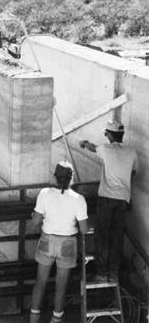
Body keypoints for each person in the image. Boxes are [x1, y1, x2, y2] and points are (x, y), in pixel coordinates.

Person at [30, 161, 89, 323]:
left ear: (55, 176)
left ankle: (33, 319)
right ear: (71, 178)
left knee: (40, 281)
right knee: (61, 286)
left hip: (47, 240)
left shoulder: (44, 193)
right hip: (68, 244)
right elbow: (84, 229)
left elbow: (35, 222)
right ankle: (56, 319)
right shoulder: (79, 199)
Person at [79, 119, 138, 282]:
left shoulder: (105, 149)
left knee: (103, 235)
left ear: (110, 135)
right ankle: (113, 273)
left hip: (106, 199)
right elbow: (133, 173)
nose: (105, 136)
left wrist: (83, 142)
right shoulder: (132, 152)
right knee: (117, 236)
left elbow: (92, 147)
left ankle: (101, 272)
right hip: (122, 200)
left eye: (106, 133)